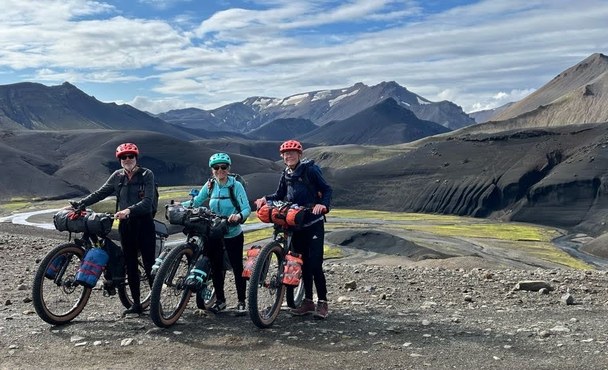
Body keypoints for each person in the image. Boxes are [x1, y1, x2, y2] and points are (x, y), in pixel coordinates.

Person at [73, 142, 156, 316]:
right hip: (126, 226)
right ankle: (136, 305)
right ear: (119, 160)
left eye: (130, 156)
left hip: (144, 223)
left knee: (149, 266)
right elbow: (100, 193)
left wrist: (129, 210)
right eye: (123, 157)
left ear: (136, 158)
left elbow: (148, 202)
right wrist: (82, 203)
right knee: (131, 265)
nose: (127, 159)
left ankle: (156, 304)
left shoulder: (147, 174)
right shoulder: (117, 176)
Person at [254, 140, 333, 319]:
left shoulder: (310, 171)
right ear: (282, 157)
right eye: (285, 153)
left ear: (299, 155)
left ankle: (322, 303)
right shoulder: (286, 173)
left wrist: (323, 205)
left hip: (313, 224)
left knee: (315, 264)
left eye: (292, 153)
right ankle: (307, 302)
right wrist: (265, 199)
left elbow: (327, 189)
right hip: (295, 224)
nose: (289, 156)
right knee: (300, 262)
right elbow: (279, 195)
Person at [186, 153, 251, 314]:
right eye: (216, 167)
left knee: (237, 268)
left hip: (232, 232)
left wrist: (238, 216)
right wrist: (181, 206)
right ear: (212, 170)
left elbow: (246, 208)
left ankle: (242, 301)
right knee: (215, 268)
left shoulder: (235, 186)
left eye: (223, 167)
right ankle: (220, 301)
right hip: (214, 232)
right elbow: (197, 201)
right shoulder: (210, 185)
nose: (220, 170)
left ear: (228, 169)